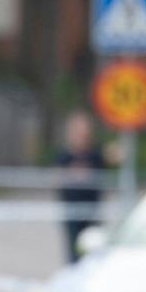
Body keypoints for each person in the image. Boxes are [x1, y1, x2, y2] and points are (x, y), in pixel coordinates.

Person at [56, 111, 108, 263]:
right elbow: (57, 179)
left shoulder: (95, 155)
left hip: (92, 211)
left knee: (94, 250)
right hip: (72, 212)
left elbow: (111, 157)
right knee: (74, 252)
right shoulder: (64, 156)